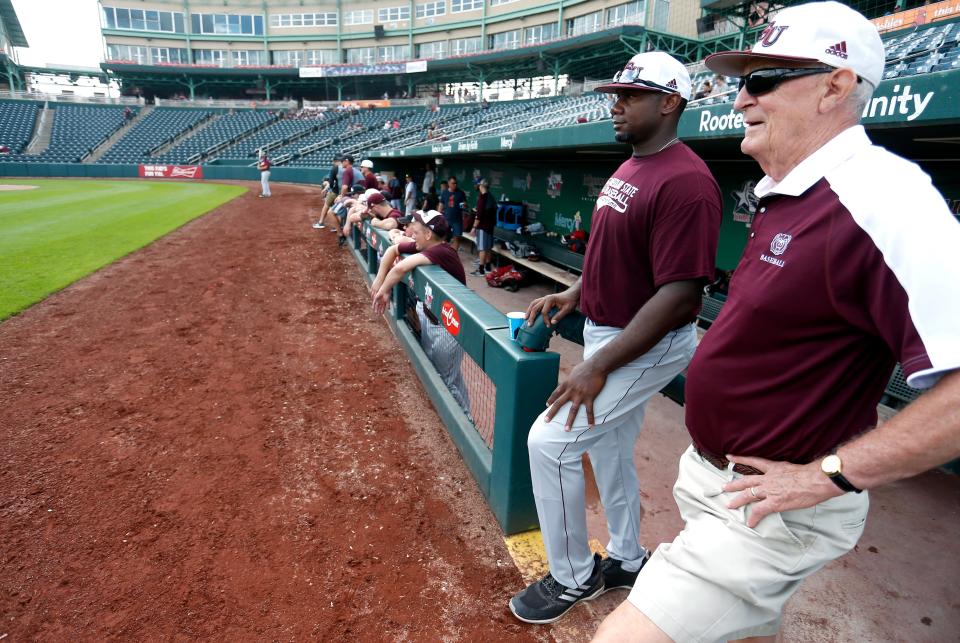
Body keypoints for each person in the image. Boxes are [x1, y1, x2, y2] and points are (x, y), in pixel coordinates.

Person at [594, 3, 960, 641]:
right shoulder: (789, 189)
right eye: (742, 81)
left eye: (763, 80)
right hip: (715, 479)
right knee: (740, 627)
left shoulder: (885, 197)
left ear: (835, 86)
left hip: (775, 505)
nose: (740, 99)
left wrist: (832, 475)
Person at [508, 51, 721, 625]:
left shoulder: (687, 182)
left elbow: (678, 294)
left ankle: (573, 576)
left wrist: (597, 366)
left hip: (647, 343)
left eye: (631, 94)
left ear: (670, 102)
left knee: (549, 442)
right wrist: (574, 295)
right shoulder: (632, 165)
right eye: (616, 94)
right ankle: (627, 559)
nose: (616, 103)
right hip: (609, 328)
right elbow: (613, 254)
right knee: (607, 450)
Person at [370, 209, 470, 414]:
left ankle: (464, 419)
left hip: (448, 329)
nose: (411, 235)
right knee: (448, 375)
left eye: (415, 232)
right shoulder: (425, 245)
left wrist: (384, 290)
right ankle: (455, 412)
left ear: (428, 234)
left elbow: (400, 268)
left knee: (446, 380)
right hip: (432, 318)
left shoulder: (442, 251)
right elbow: (393, 250)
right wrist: (380, 280)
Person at [470, 179, 497, 277]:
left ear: (480, 185)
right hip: (490, 226)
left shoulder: (483, 197)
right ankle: (488, 267)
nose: (476, 186)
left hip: (483, 226)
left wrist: (473, 227)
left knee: (482, 248)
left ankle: (481, 270)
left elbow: (479, 216)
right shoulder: (490, 196)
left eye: (477, 185)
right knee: (488, 247)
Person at [438, 176, 467, 252]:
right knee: (443, 237)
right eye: (453, 183)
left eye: (456, 183)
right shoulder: (445, 192)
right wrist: (438, 215)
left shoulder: (460, 193)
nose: (455, 185)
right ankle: (442, 253)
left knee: (457, 237)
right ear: (449, 183)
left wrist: (464, 205)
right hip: (446, 219)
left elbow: (464, 205)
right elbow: (441, 205)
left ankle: (454, 254)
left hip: (457, 220)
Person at [313, 157, 341, 230]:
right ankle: (337, 225)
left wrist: (329, 189)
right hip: (342, 192)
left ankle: (321, 222)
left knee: (327, 205)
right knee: (338, 208)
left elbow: (331, 182)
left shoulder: (335, 168)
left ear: (335, 161)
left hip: (335, 191)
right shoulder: (345, 168)